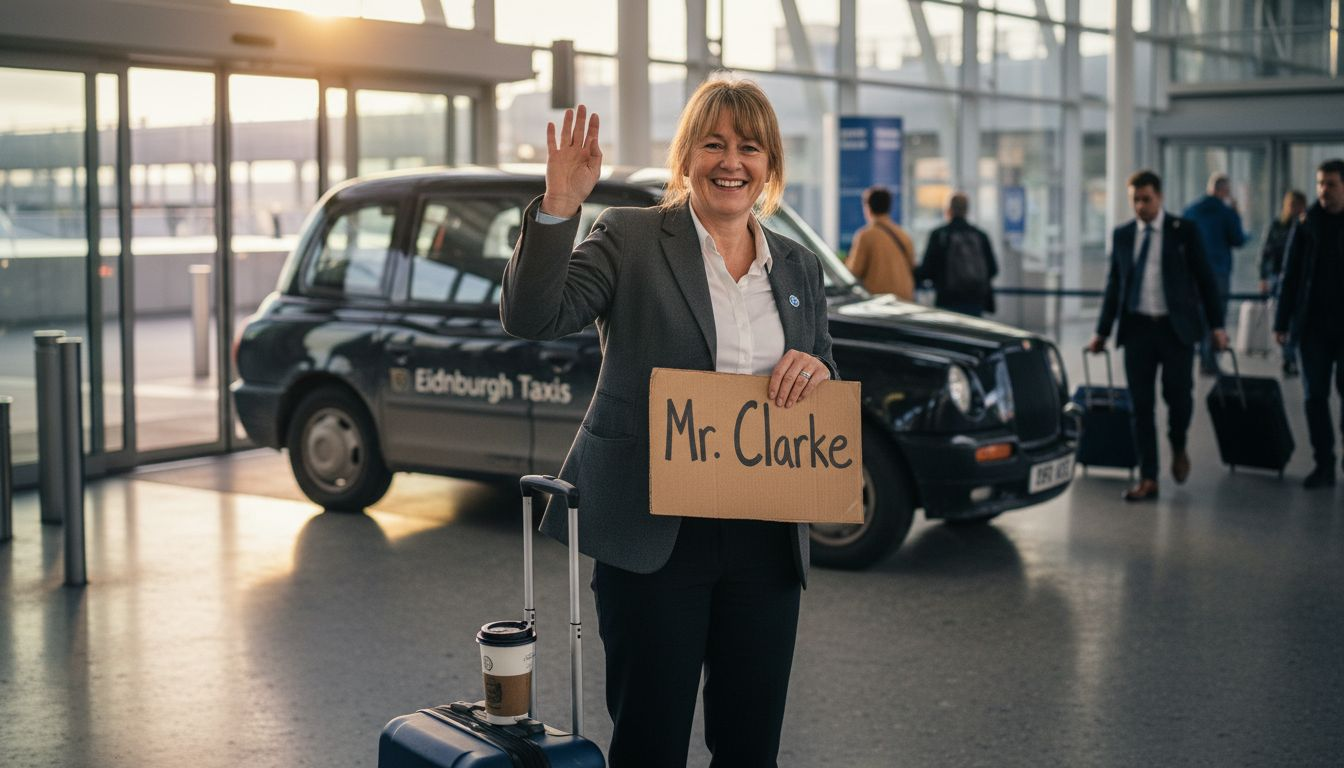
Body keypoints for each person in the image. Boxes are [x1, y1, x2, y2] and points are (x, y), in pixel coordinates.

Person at [499, 80, 837, 768]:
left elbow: (821, 362)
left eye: (749, 146)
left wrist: (817, 371)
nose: (731, 161)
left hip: (767, 542)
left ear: (769, 164)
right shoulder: (631, 237)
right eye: (713, 143)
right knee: (651, 742)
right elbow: (532, 317)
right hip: (656, 536)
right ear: (687, 156)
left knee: (750, 747)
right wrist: (561, 205)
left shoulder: (797, 265)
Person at [1089, 169, 1228, 502]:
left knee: (1178, 398)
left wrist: (1217, 327)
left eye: (1146, 199)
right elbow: (1114, 287)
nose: (1140, 206)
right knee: (1141, 406)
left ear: (1160, 198)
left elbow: (1207, 281)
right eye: (1135, 200)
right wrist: (1102, 332)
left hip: (1175, 330)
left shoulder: (1184, 231)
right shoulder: (1123, 235)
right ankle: (1148, 476)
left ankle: (1178, 445)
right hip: (1137, 329)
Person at [1274, 158, 1344, 489]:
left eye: (1330, 184)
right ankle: (1324, 463)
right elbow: (1290, 276)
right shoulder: (1306, 224)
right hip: (1312, 327)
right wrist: (1281, 320)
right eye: (1320, 184)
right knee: (1313, 396)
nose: (1323, 190)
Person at [1183, 172, 1248, 375]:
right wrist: (1237, 214)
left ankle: (1202, 355)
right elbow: (1237, 239)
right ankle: (1209, 360)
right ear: (1223, 191)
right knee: (1216, 316)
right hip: (1218, 271)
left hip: (1193, 272)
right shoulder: (1226, 212)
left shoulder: (1191, 210)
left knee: (1200, 315)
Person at [914, 192, 998, 316]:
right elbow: (993, 269)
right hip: (975, 301)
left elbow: (927, 270)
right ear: (966, 210)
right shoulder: (980, 236)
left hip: (947, 300)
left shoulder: (939, 235)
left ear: (949, 210)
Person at [1259, 189, 1307, 377]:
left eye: (1299, 205)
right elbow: (1265, 253)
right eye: (1292, 205)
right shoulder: (1277, 226)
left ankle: (1293, 354)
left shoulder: (1307, 226)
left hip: (1301, 279)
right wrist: (1263, 277)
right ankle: (1288, 357)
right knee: (1283, 314)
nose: (1295, 209)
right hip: (1279, 277)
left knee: (1297, 318)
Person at [845, 185, 916, 300]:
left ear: (868, 208)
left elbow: (854, 271)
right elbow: (912, 265)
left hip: (879, 300)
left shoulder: (865, 235)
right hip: (905, 299)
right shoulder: (903, 235)